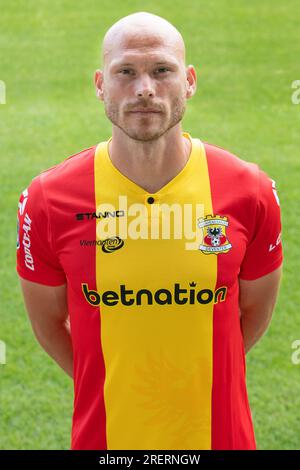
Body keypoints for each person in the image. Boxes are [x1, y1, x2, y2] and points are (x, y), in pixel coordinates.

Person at [16, 11, 283, 450]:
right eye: (126, 72)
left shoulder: (249, 190)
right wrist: (109, 381)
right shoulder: (47, 199)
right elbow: (48, 323)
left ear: (190, 80)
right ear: (100, 84)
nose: (144, 89)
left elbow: (252, 317)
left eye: (162, 70)